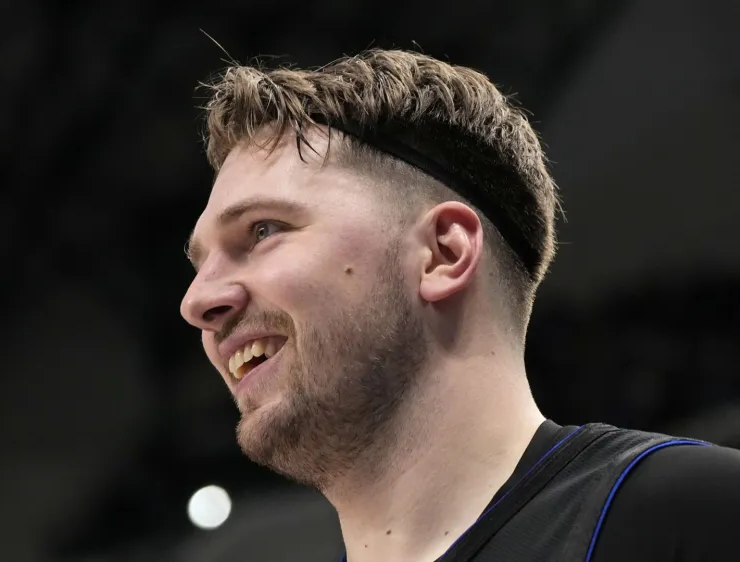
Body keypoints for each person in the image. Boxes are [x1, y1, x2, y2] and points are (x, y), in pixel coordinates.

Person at [178, 49, 740, 562]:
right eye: (198, 265)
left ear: (443, 253)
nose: (196, 301)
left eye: (261, 231)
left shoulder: (692, 517)